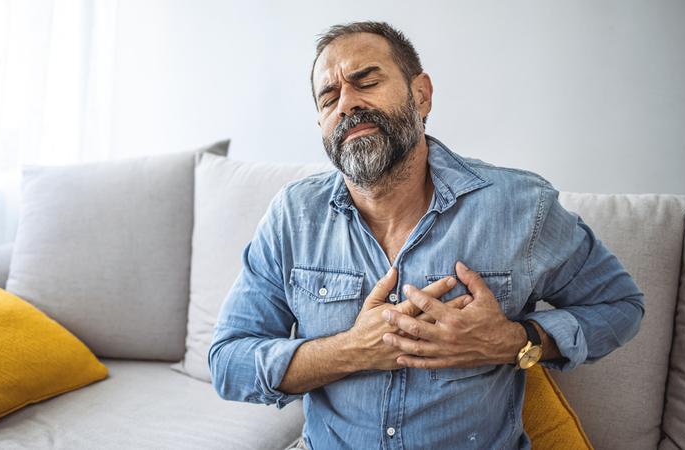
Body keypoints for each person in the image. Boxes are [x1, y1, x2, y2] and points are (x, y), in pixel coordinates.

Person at [208, 21, 644, 450]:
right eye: (329, 97)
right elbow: (228, 363)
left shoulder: (521, 207)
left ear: (421, 94)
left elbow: (620, 306)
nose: (347, 103)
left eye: (366, 81)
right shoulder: (292, 216)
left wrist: (514, 342)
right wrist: (352, 350)